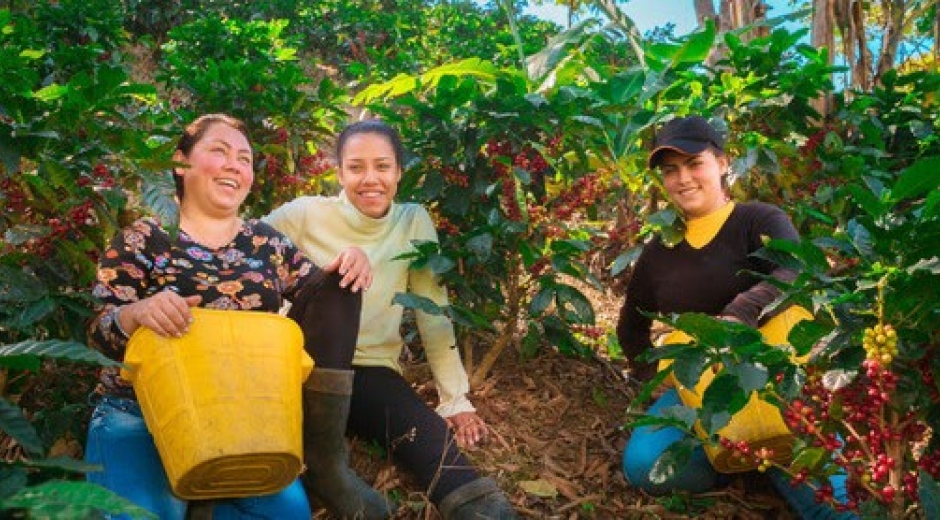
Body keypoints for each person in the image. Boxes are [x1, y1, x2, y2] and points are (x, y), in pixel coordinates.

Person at [85, 113, 390, 519]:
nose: (235, 165)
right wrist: (138, 313)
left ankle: (322, 463)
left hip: (240, 419)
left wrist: (350, 260)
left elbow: (322, 301)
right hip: (141, 414)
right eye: (219, 151)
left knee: (289, 514)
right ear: (181, 162)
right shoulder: (145, 236)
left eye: (244, 159)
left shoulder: (266, 243)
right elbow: (96, 331)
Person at [264, 119, 518, 519]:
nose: (370, 179)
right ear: (339, 173)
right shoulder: (304, 214)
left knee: (428, 437)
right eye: (356, 167)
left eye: (382, 166)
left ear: (399, 171)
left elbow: (431, 308)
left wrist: (454, 398)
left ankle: (487, 512)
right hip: (294, 365)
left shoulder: (412, 220)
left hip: (367, 370)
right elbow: (242, 255)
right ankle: (320, 467)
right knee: (340, 279)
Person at [616, 116, 855, 519]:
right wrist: (648, 376)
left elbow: (794, 268)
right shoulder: (658, 251)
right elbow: (630, 325)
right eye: (670, 170)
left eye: (695, 164)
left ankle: (769, 459)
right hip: (701, 390)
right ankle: (736, 462)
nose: (683, 179)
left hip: (773, 379)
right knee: (644, 467)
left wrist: (741, 311)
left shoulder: (757, 219)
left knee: (835, 507)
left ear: (723, 163)